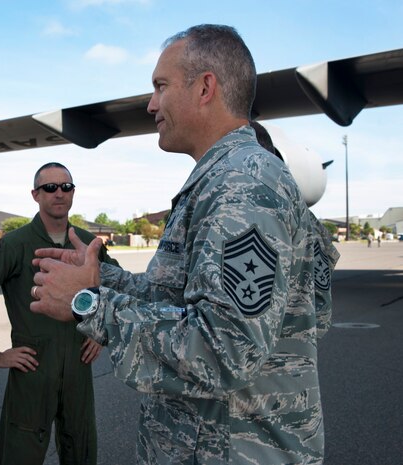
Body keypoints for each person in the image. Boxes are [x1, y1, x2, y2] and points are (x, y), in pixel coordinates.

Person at [30, 25, 325, 464]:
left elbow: (225, 349)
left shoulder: (244, 185)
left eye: (160, 86)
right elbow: (178, 302)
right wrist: (100, 277)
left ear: (205, 87)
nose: (151, 104)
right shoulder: (219, 181)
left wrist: (88, 303)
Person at [0, 162, 119, 465]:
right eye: (50, 188)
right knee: (20, 455)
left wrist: (102, 332)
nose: (59, 193)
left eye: (66, 187)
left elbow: (118, 290)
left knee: (82, 452)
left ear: (73, 193)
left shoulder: (88, 245)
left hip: (78, 370)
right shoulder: (15, 245)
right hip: (32, 371)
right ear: (36, 194)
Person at [250, 119, 340, 337]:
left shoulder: (253, 217)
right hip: (299, 357)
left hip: (265, 361)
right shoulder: (310, 223)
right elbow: (321, 313)